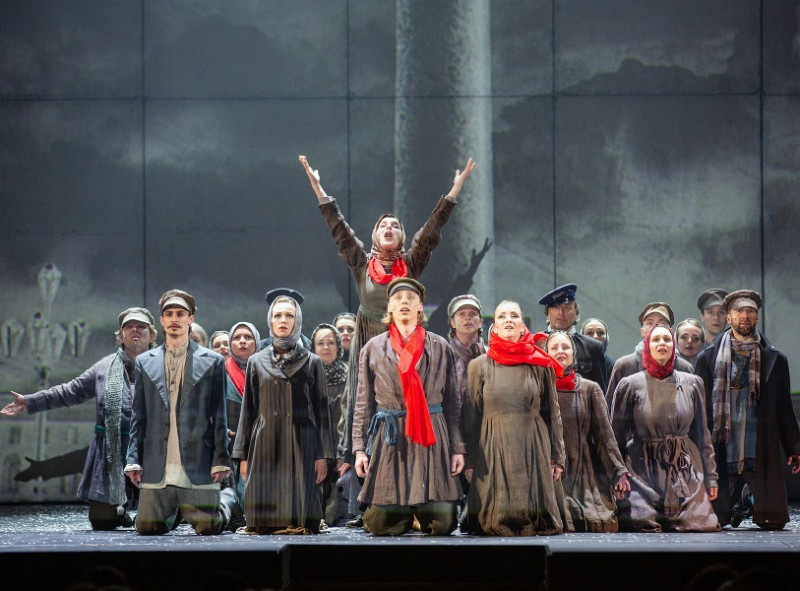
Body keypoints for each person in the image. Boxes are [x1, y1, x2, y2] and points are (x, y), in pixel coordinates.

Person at [299, 153, 475, 527]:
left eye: (396, 224)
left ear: (402, 236)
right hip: (373, 344)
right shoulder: (362, 263)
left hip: (411, 345)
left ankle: (420, 498)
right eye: (383, 225)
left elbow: (432, 229)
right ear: (375, 236)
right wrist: (318, 186)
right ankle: (364, 495)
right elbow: (338, 227)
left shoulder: (412, 262)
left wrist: (455, 189)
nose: (390, 228)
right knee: (360, 404)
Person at [1, 307, 157, 530]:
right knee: (103, 520)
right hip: (110, 450)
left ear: (152, 335)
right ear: (120, 336)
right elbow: (70, 391)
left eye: (141, 326)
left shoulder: (165, 366)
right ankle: (118, 511)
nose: (135, 330)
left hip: (152, 448)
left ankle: (166, 506)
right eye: (129, 326)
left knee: (155, 522)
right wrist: (30, 401)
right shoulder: (104, 367)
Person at [352, 278, 465, 536]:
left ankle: (418, 512)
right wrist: (359, 450)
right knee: (381, 525)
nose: (404, 302)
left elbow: (453, 404)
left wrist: (457, 448)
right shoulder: (373, 348)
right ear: (389, 306)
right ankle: (403, 513)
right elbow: (363, 403)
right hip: (391, 435)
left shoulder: (440, 346)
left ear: (420, 307)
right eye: (398, 298)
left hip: (430, 433)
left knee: (443, 525)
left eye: (411, 298)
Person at [124, 289, 237, 536]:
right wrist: (133, 458)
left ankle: (226, 499)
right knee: (146, 527)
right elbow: (138, 416)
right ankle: (172, 510)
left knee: (208, 527)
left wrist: (221, 459)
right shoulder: (145, 361)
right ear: (162, 320)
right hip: (158, 460)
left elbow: (219, 415)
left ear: (190, 319)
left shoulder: (212, 361)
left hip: (197, 458)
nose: (174, 319)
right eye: (169, 314)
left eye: (180, 313)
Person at [695, 290, 800, 530]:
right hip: (724, 437)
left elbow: (784, 406)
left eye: (750, 311)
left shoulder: (774, 358)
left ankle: (750, 504)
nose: (745, 316)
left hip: (758, 438)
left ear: (757, 317)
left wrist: (794, 446)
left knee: (772, 521)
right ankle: (733, 506)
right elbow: (699, 407)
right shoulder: (708, 358)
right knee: (713, 520)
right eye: (739, 311)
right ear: (729, 317)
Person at [463, 300, 568, 536]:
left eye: (514, 315)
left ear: (522, 325)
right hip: (493, 447)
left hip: (533, 446)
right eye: (502, 316)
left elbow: (552, 414)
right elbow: (470, 417)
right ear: (494, 327)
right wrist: (470, 460)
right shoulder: (478, 366)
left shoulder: (540, 364)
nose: (508, 320)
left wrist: (557, 457)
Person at [232, 296, 334, 534]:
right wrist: (243, 456)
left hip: (301, 441)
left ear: (297, 320)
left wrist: (323, 455)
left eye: (289, 315)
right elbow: (248, 411)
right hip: (265, 440)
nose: (283, 320)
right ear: (270, 320)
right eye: (278, 315)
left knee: (302, 517)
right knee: (264, 518)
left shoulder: (312, 361)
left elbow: (322, 413)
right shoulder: (256, 361)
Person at [611, 326, 720, 532]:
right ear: (647, 346)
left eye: (667, 339)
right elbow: (615, 437)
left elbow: (702, 434)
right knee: (641, 522)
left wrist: (711, 477)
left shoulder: (693, 383)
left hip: (685, 468)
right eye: (656, 340)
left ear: (673, 346)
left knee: (698, 524)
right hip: (642, 468)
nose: (662, 343)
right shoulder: (630, 384)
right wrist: (618, 474)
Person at [545, 331, 630, 532]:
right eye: (554, 348)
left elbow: (604, 436)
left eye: (565, 347)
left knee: (596, 522)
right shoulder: (539, 388)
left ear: (574, 354)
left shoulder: (590, 389)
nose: (560, 351)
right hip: (549, 470)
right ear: (546, 353)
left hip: (584, 471)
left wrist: (618, 472)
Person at [606, 302, 694, 409]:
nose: (655, 327)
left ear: (670, 331)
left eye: (662, 323)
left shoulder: (684, 368)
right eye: (650, 323)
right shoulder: (624, 365)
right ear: (642, 331)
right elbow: (611, 408)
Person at [311, 322, 348, 527]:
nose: (326, 347)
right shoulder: (307, 377)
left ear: (339, 346)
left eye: (331, 342)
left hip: (343, 450)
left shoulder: (350, 376)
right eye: (321, 343)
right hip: (315, 452)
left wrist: (345, 452)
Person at [538, 284, 608, 391]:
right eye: (556, 307)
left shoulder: (592, 347)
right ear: (547, 313)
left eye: (567, 308)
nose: (561, 313)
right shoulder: (535, 345)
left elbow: (600, 393)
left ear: (576, 313)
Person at [223, 322, 261, 509]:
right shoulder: (219, 373)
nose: (242, 341)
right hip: (229, 449)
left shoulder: (268, 373)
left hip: (260, 446)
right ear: (230, 343)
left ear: (257, 342)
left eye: (248, 337)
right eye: (237, 337)